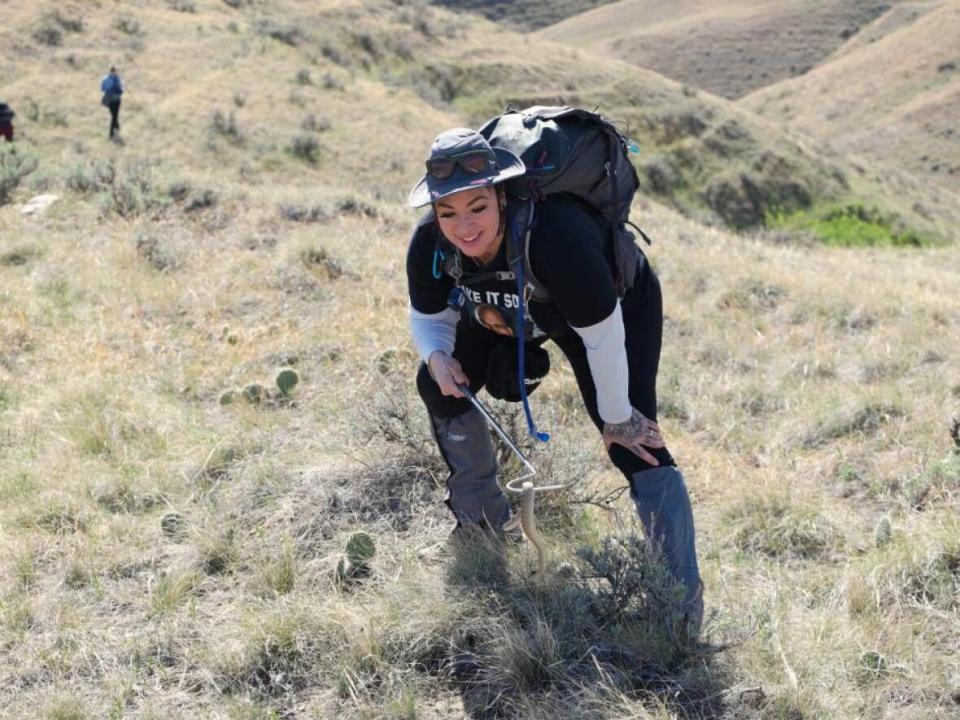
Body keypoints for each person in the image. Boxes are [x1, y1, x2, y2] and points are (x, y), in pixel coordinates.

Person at [405, 127, 703, 635]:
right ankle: (481, 528)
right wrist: (436, 358)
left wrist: (616, 418)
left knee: (634, 442)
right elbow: (429, 318)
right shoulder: (432, 245)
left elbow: (602, 336)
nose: (464, 227)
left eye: (477, 207)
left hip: (605, 307)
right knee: (440, 385)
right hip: (507, 311)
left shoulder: (556, 239)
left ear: (502, 194)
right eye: (448, 212)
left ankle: (678, 601)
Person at [100, 66, 124, 140]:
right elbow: (103, 88)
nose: (114, 72)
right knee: (114, 115)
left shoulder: (117, 78)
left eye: (114, 71)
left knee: (114, 116)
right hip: (111, 99)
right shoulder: (106, 79)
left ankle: (111, 133)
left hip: (116, 99)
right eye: (113, 71)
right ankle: (116, 127)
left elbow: (122, 88)